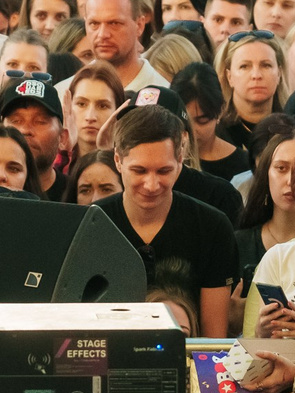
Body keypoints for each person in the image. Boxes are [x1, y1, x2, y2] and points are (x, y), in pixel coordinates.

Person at [96, 104, 242, 338]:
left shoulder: (212, 227)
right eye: (140, 171)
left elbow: (213, 340)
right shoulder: (92, 225)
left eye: (163, 171)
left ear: (181, 160)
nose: (151, 185)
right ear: (118, 160)